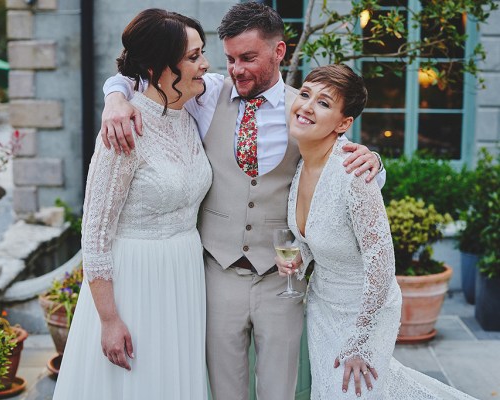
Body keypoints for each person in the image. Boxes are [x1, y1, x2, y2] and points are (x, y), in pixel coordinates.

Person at [101, 4, 384, 399]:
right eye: (231, 58)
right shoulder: (205, 94)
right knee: (223, 389)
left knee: (279, 388)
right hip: (216, 270)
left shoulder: (303, 110)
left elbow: (342, 162)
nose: (236, 69)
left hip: (281, 276)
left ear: (279, 52)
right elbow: (142, 76)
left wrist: (375, 161)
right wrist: (114, 98)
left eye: (248, 58)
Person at [277, 63, 477, 399]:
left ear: (344, 124)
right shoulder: (301, 167)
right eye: (306, 94)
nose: (307, 106)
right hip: (324, 308)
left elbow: (382, 265)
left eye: (324, 103)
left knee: (355, 390)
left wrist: (361, 341)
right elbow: (317, 237)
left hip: (365, 313)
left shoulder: (354, 172)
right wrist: (297, 258)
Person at [52, 9, 212, 400]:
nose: (205, 65)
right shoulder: (123, 133)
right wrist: (108, 319)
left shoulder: (189, 112)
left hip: (186, 274)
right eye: (193, 57)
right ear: (159, 67)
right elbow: (94, 234)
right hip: (136, 278)